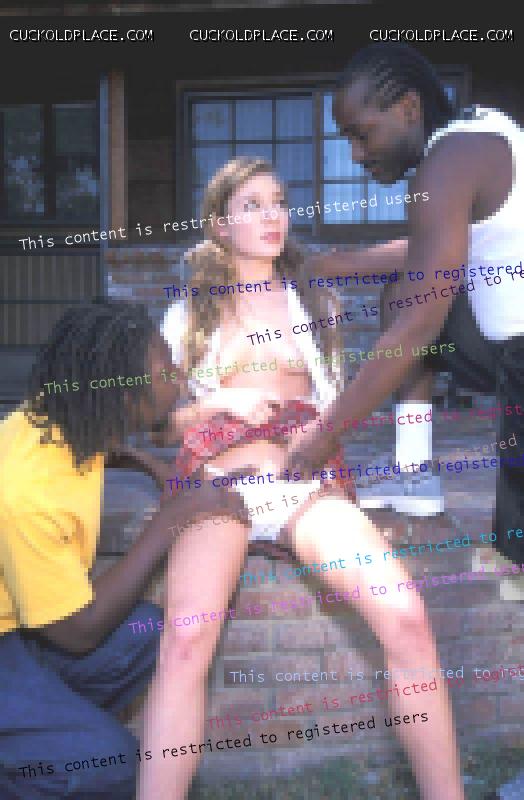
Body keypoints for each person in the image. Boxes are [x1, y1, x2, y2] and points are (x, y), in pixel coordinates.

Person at [139, 156, 464, 800]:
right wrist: (218, 404)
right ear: (220, 225)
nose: (272, 217)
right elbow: (159, 428)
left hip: (301, 486)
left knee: (404, 614)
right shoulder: (188, 316)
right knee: (185, 639)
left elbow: (337, 405)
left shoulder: (314, 302)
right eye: (252, 205)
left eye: (279, 203)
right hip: (219, 490)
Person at [0, 300, 247, 799]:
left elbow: (99, 443)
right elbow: (78, 634)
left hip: (21, 632)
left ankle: (46, 742)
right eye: (165, 371)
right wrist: (169, 523)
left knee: (150, 632)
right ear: (126, 397)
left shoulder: (59, 417)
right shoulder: (27, 495)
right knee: (115, 768)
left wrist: (142, 462)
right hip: (25, 641)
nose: (178, 377)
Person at [286, 42, 524, 560]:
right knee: (400, 290)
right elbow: (436, 247)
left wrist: (324, 436)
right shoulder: (478, 134)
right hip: (505, 351)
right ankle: (413, 472)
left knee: (517, 552)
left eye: (362, 133)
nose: (356, 153)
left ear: (409, 108)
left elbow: (417, 327)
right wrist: (334, 265)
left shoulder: (448, 163)